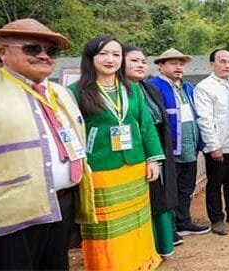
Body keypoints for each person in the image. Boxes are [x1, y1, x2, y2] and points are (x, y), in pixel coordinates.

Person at [0, 19, 95, 270]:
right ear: (2, 51)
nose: (43, 56)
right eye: (32, 49)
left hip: (57, 208)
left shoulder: (61, 93)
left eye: (50, 51)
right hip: (3, 219)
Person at [69, 35, 165, 271]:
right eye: (103, 54)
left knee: (137, 218)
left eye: (116, 54)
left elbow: (145, 125)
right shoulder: (77, 91)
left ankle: (139, 262)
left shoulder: (131, 89)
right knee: (107, 225)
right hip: (100, 167)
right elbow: (71, 132)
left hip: (134, 165)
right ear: (90, 58)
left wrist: (154, 159)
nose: (110, 59)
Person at [124, 45, 180, 255]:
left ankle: (163, 243)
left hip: (157, 147)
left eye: (142, 61)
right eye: (134, 61)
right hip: (134, 153)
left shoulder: (149, 89)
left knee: (161, 195)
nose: (140, 65)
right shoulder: (119, 91)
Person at [148, 48, 211, 236]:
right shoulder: (154, 86)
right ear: (161, 65)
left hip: (189, 147)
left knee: (186, 188)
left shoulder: (187, 87)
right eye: (173, 63)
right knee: (169, 190)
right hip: (170, 149)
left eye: (181, 64)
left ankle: (184, 221)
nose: (179, 67)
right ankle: (171, 228)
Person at [193, 49, 229, 236]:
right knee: (215, 184)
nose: (227, 65)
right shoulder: (204, 87)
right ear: (212, 64)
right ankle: (217, 219)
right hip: (218, 145)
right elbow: (204, 119)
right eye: (222, 61)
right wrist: (213, 146)